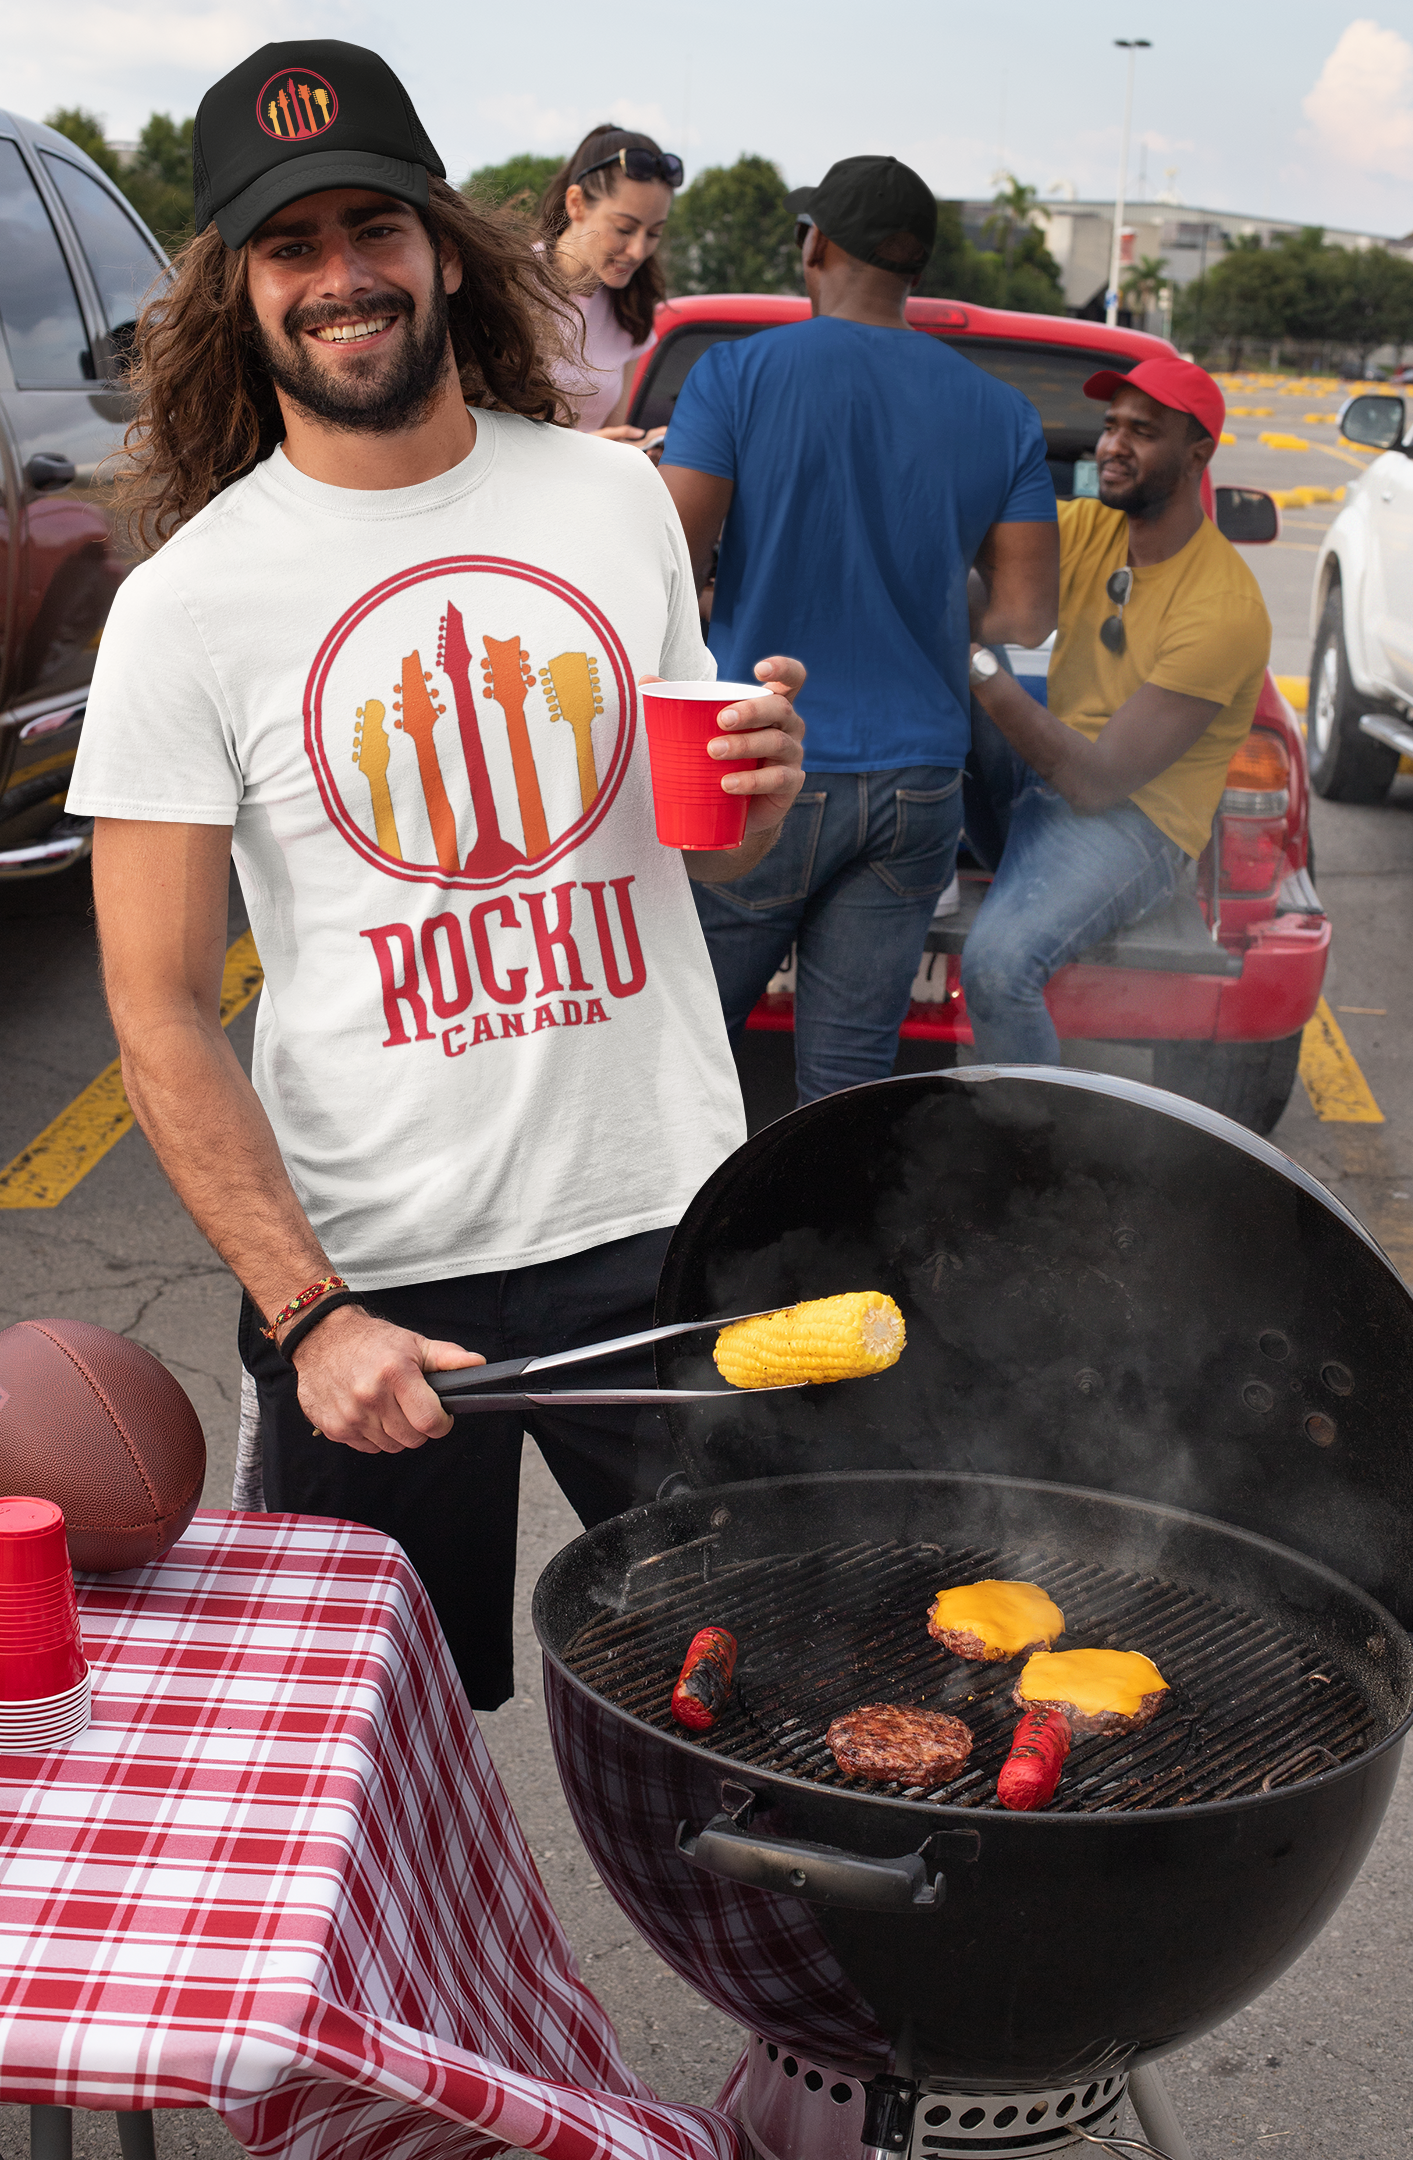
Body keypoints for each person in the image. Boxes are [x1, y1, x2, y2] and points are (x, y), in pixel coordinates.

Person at [66, 38, 805, 1712]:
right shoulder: (191, 606)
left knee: (752, 1696)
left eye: (370, 228)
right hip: (377, 1274)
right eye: (289, 245)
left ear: (442, 247)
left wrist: (759, 793)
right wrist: (307, 1307)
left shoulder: (614, 512)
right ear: (240, 292)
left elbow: (705, 836)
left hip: (663, 1223)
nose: (340, 277)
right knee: (366, 1745)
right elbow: (159, 1012)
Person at [659, 156, 1058, 1104]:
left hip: (768, 768)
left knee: (682, 1053)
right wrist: (922, 592)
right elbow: (1025, 615)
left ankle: (672, 1247)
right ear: (914, 267)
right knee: (847, 1084)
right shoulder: (1002, 413)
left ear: (818, 247)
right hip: (922, 782)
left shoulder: (737, 376)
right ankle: (823, 1249)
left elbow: (665, 565)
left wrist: (728, 595)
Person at [959, 356, 1272, 1064]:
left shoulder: (1223, 608)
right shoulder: (1089, 528)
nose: (1111, 446)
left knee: (999, 970)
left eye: (1142, 431)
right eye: (1109, 426)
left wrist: (972, 660)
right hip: (1040, 788)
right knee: (942, 595)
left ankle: (1028, 1158)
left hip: (1132, 825)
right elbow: (971, 548)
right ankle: (891, 848)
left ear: (1197, 455)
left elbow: (1099, 783)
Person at [537, 125, 681, 447]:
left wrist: (638, 449)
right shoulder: (508, 285)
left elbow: (611, 439)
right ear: (576, 203)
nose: (639, 251)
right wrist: (586, 449)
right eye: (624, 228)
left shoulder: (631, 311)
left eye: (654, 233)